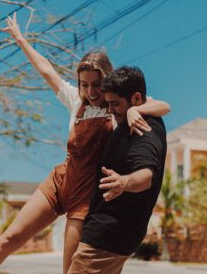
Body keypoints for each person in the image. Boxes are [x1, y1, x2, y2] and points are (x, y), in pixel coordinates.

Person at [0, 14, 170, 274]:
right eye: (84, 85)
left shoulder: (116, 106)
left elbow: (164, 106)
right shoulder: (76, 100)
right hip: (61, 181)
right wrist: (20, 39)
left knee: (71, 269)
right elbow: (46, 69)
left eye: (96, 84)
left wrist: (133, 112)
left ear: (106, 81)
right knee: (9, 238)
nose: (91, 91)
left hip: (86, 197)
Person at [68, 66, 167, 274]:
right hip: (112, 234)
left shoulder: (144, 130)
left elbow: (147, 174)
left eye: (115, 104)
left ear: (137, 98)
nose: (110, 110)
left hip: (108, 235)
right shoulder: (132, 117)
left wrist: (124, 182)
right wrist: (131, 110)